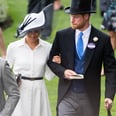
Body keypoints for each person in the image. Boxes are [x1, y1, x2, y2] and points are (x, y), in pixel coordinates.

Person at [47, 0, 116, 116]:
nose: (72, 20)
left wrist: (109, 96)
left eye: (76, 17)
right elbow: (51, 61)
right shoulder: (62, 36)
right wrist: (63, 72)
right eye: (71, 16)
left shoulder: (102, 39)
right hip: (66, 96)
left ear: (86, 17)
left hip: (89, 98)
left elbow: (111, 69)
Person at [6, 10, 55, 116]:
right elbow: (6, 70)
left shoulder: (48, 48)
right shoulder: (13, 47)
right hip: (20, 90)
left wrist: (57, 63)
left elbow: (49, 76)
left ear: (41, 30)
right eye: (30, 31)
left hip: (39, 90)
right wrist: (12, 82)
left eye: (36, 31)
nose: (33, 35)